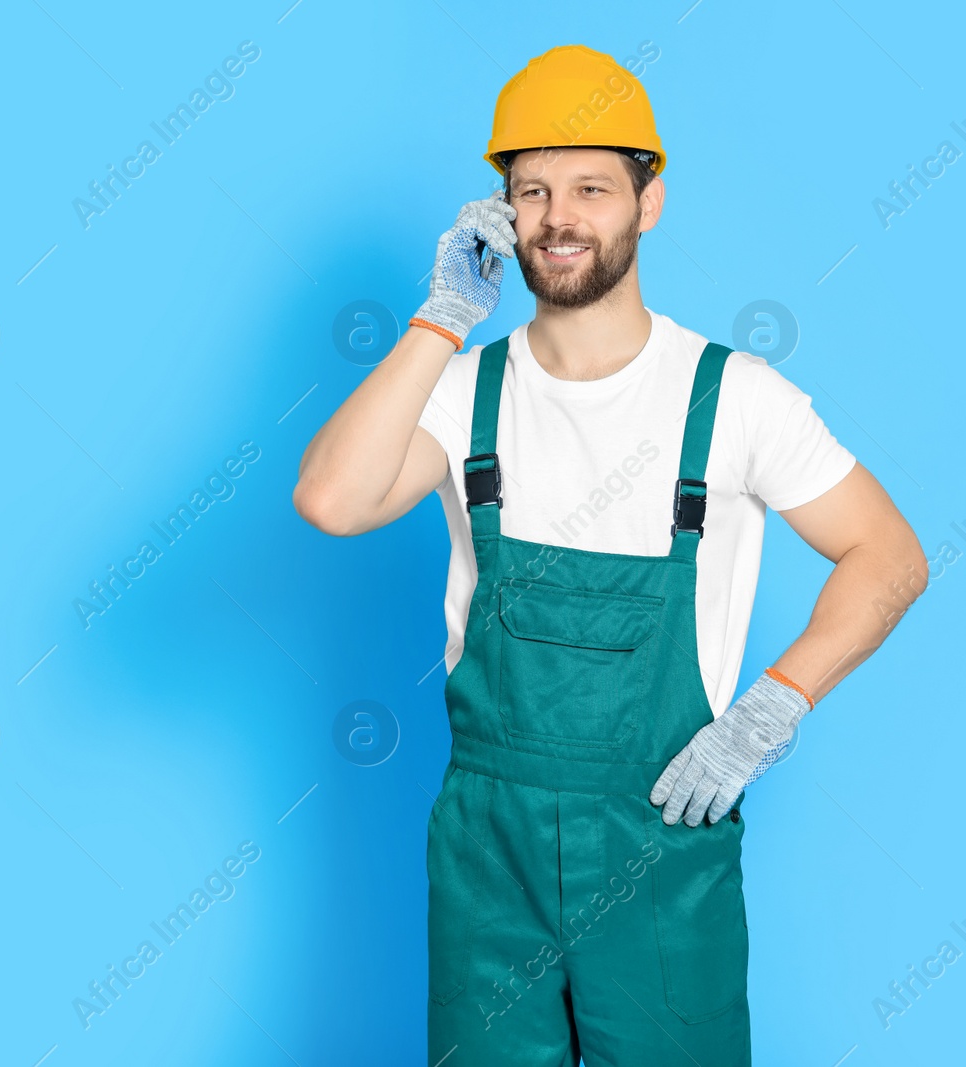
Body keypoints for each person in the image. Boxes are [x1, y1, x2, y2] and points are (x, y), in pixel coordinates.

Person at [294, 44, 927, 1067]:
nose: (560, 216)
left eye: (591, 186)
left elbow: (888, 556)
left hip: (664, 830)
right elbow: (330, 499)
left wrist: (772, 708)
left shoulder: (737, 398)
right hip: (488, 847)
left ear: (650, 201)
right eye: (531, 189)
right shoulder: (462, 389)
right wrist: (440, 318)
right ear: (501, 212)